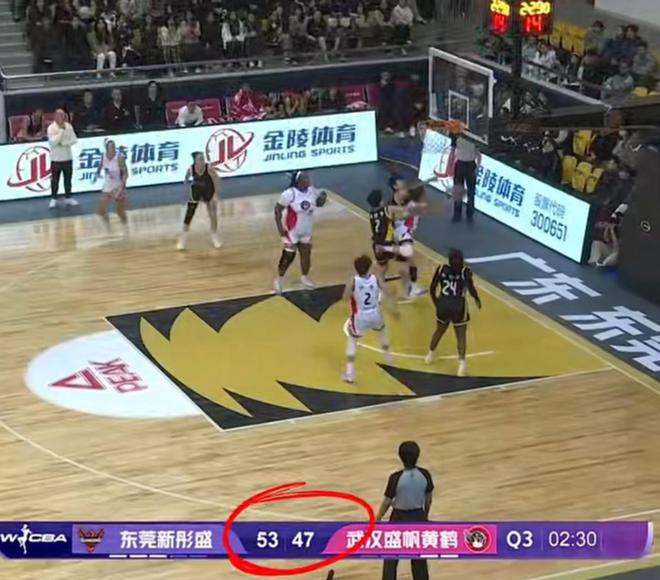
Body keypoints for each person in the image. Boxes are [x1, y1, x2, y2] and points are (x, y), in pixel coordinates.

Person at [377, 441, 434, 580]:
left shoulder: (395, 478)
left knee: (390, 558)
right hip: (418, 516)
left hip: (398, 518)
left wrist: (377, 518)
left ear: (400, 457)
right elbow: (428, 499)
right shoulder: (425, 474)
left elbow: (387, 502)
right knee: (419, 559)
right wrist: (424, 516)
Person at [425, 248, 481, 376]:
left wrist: (436, 303)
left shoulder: (441, 269)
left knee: (439, 331)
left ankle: (429, 355)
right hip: (458, 305)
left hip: (443, 303)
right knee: (461, 336)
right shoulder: (465, 272)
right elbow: (471, 288)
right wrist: (476, 298)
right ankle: (461, 365)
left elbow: (432, 288)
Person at [273, 171, 327, 294]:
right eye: (306, 178)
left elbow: (318, 204)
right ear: (299, 181)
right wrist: (280, 228)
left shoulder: (312, 191)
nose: (309, 180)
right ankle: (279, 280)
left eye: (308, 177)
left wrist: (322, 199)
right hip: (291, 231)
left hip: (306, 230)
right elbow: (277, 210)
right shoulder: (289, 194)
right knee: (288, 256)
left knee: (306, 255)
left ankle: (304, 278)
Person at [342, 254, 392, 384]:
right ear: (369, 267)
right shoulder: (376, 278)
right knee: (382, 332)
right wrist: (379, 298)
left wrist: (353, 293)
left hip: (360, 316)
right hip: (375, 312)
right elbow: (386, 291)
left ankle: (350, 374)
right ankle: (388, 357)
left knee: (352, 340)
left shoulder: (353, 281)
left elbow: (345, 298)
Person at [390, 178, 428, 298]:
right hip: (403, 234)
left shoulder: (412, 204)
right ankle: (413, 288)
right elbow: (401, 216)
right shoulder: (412, 206)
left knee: (403, 264)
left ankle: (408, 289)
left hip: (400, 234)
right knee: (411, 262)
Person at [177, 151, 222, 250]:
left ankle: (214, 235)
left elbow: (216, 179)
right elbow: (186, 178)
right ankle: (182, 238)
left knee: (212, 214)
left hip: (208, 190)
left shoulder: (209, 168)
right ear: (195, 161)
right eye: (200, 159)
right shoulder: (191, 169)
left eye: (203, 159)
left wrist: (215, 194)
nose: (202, 161)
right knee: (189, 213)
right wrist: (186, 186)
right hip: (196, 191)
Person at [96, 139, 129, 237]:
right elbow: (100, 166)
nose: (113, 149)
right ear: (107, 149)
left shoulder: (119, 157)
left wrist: (122, 186)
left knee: (120, 211)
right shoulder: (103, 156)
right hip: (108, 185)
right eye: (111, 147)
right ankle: (108, 228)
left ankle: (125, 227)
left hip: (118, 185)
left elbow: (125, 173)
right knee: (101, 210)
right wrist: (97, 173)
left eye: (114, 147)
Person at [47, 108, 78, 209]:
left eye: (63, 115)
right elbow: (53, 142)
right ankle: (53, 198)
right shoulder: (51, 128)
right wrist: (61, 131)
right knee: (55, 180)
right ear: (55, 117)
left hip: (67, 157)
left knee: (68, 179)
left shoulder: (69, 126)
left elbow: (74, 140)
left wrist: (64, 143)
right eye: (59, 115)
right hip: (56, 159)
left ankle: (68, 197)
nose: (61, 117)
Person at [451, 133, 480, 222]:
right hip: (461, 164)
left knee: (470, 190)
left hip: (469, 164)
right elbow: (452, 151)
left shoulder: (473, 137)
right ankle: (458, 212)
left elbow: (478, 154)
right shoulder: (456, 136)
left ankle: (469, 211)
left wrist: (477, 168)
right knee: (459, 190)